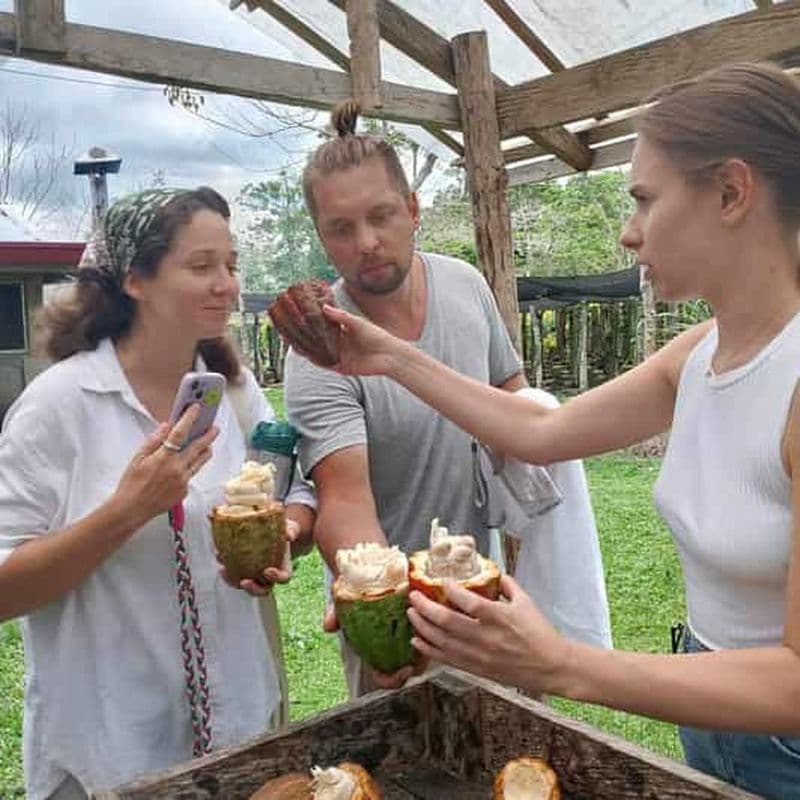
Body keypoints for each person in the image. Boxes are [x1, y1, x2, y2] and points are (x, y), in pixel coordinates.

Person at [313, 62, 800, 799]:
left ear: (731, 192)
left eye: (644, 199)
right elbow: (545, 431)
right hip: (713, 719)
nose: (629, 233)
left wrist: (560, 662)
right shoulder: (698, 354)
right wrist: (386, 357)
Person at [284, 100, 611, 698]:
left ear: (413, 211)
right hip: (397, 624)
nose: (367, 242)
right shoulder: (319, 349)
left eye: (382, 216)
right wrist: (394, 614)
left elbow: (515, 408)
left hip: (483, 594)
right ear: (322, 238)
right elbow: (344, 500)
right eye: (341, 228)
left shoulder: (464, 285)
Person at [0, 187, 315, 800]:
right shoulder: (59, 406)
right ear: (134, 280)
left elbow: (294, 490)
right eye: (200, 267)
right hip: (110, 752)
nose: (226, 283)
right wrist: (128, 510)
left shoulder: (233, 389)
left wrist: (286, 534)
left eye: (230, 264)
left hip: (237, 731)